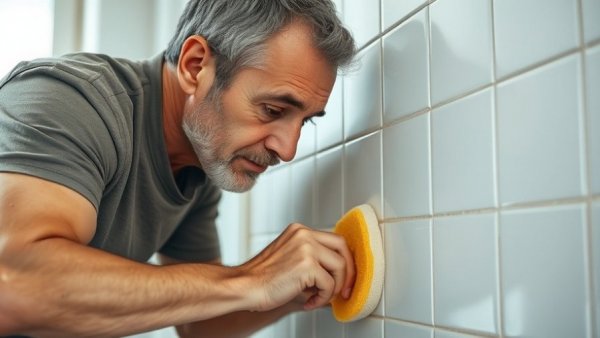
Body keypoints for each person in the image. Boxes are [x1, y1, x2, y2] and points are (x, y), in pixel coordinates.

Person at [0, 0, 357, 337]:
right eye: (272, 110)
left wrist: (296, 289)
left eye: (305, 122)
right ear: (195, 65)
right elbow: (13, 287)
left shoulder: (198, 165)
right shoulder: (71, 101)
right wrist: (251, 279)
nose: (288, 148)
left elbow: (197, 325)